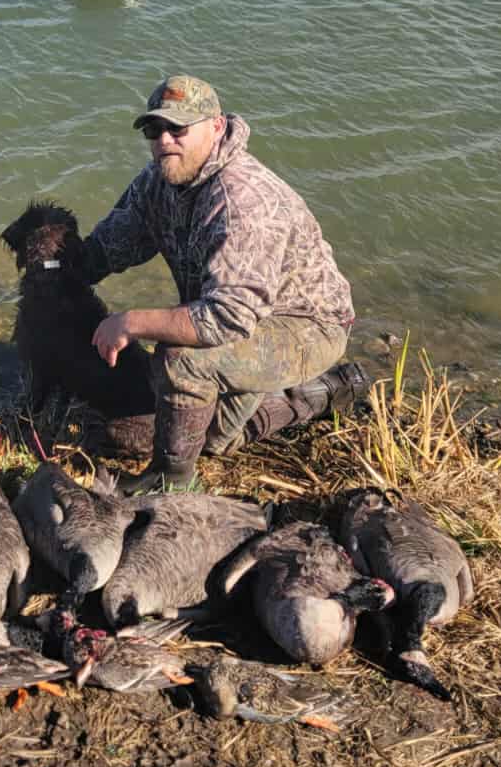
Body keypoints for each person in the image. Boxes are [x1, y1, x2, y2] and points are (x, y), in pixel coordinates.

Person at [83, 75, 368, 494]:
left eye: (178, 128)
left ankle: (172, 482)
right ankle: (318, 390)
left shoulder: (242, 201)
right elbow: (110, 247)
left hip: (307, 326)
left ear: (216, 127)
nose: (164, 140)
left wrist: (130, 322)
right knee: (214, 439)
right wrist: (53, 267)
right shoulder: (159, 181)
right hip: (244, 320)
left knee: (181, 361)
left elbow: (226, 318)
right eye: (153, 130)